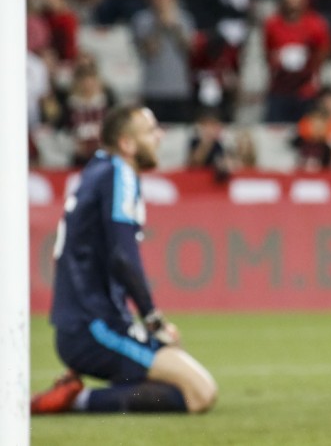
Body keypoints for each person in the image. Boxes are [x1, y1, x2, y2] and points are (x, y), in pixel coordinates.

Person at [31, 105, 218, 415]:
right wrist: (153, 318)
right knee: (200, 393)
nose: (159, 137)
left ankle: (77, 395)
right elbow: (122, 257)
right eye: (150, 131)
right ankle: (77, 401)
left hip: (85, 324)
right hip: (94, 327)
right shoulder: (120, 173)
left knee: (172, 373)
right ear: (127, 144)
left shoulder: (98, 171)